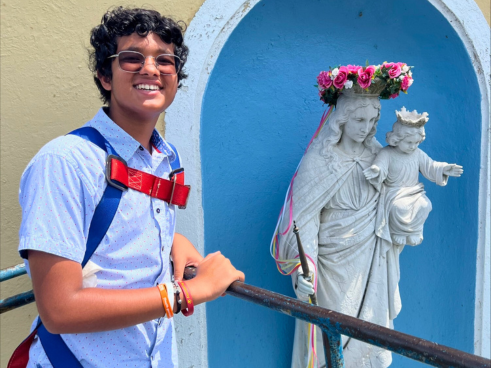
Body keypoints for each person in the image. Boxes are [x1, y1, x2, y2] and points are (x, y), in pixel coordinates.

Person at [15, 7, 244, 368]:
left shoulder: (163, 158)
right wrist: (186, 292)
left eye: (164, 61)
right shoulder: (65, 162)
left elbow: (123, 228)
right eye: (132, 58)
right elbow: (59, 309)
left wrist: (173, 241)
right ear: (105, 76)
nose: (151, 69)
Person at [274, 88, 403, 367]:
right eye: (359, 120)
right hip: (329, 269)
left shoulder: (379, 156)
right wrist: (301, 268)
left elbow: (391, 205)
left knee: (368, 340)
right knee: (330, 339)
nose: (366, 128)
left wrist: (407, 213)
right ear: (342, 119)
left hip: (370, 262)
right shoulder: (320, 160)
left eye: (372, 121)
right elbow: (303, 220)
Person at [363, 107, 463, 246]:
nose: (413, 146)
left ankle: (415, 231)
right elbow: (380, 166)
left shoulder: (417, 153)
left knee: (425, 205)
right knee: (399, 208)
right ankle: (398, 232)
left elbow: (431, 166)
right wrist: (376, 170)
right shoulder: (387, 153)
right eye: (409, 142)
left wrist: (445, 169)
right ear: (397, 139)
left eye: (417, 143)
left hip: (413, 191)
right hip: (394, 193)